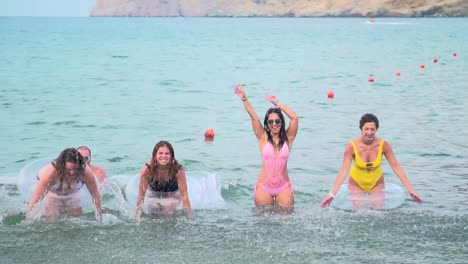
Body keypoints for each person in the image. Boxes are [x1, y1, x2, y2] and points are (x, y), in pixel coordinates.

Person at [320, 113, 423, 209]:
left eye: (372, 129)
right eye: (366, 129)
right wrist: (332, 194)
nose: (369, 133)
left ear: (376, 130)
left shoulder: (384, 145)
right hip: (356, 183)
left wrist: (411, 190)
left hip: (376, 183)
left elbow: (396, 167)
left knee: (378, 212)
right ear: (361, 129)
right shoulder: (352, 146)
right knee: (358, 214)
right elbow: (343, 171)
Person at [234, 83, 299, 209]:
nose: (274, 124)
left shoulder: (288, 138)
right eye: (270, 121)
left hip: (283, 187)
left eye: (277, 121)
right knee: (262, 222)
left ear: (281, 122)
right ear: (267, 124)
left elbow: (295, 118)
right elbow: (254, 118)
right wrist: (244, 99)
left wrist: (278, 103)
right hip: (264, 187)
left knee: (286, 218)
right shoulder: (263, 138)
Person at [27, 148, 102, 220]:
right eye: (68, 169)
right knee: (52, 221)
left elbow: (95, 195)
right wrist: (28, 219)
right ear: (61, 166)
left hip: (73, 193)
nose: (72, 173)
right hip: (52, 193)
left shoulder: (86, 172)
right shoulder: (51, 173)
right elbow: (35, 199)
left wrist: (99, 216)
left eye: (75, 169)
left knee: (77, 221)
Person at [136, 141, 192, 218]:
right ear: (155, 155)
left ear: (171, 156)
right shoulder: (147, 169)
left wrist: (189, 217)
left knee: (168, 210)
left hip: (172, 193)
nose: (163, 156)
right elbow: (141, 195)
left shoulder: (177, 170)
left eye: (167, 153)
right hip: (153, 192)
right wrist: (137, 215)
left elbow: (184, 195)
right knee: (153, 209)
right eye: (160, 153)